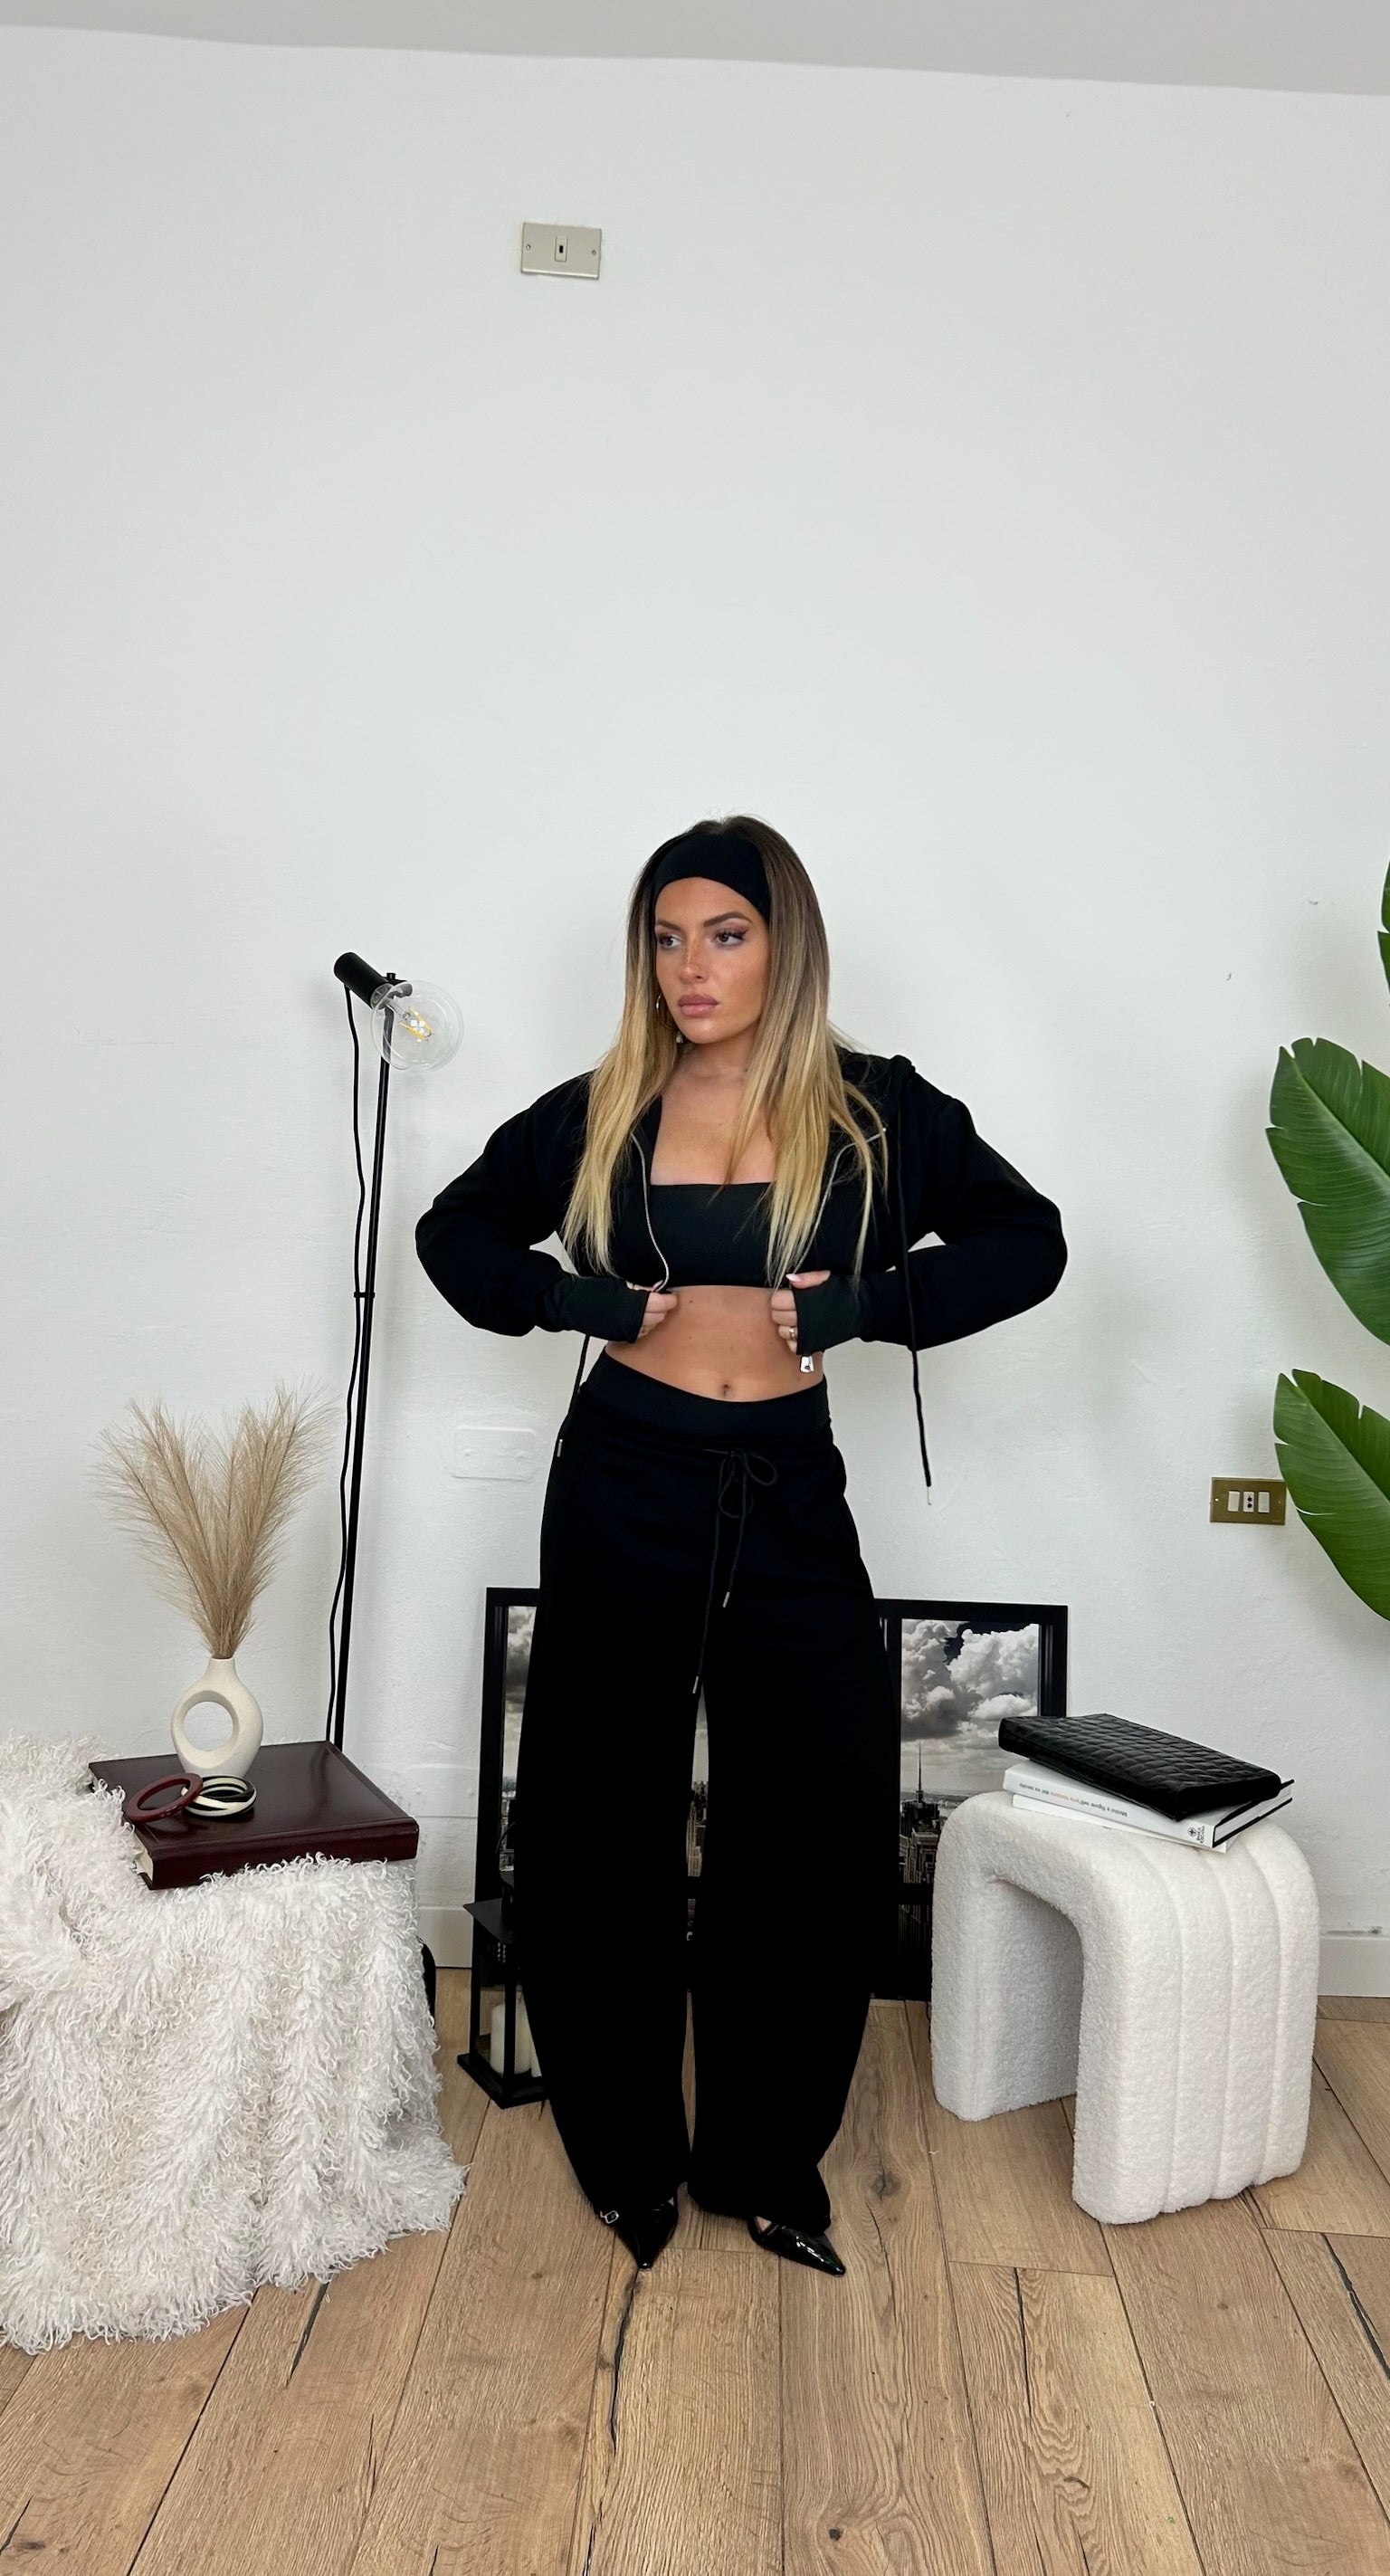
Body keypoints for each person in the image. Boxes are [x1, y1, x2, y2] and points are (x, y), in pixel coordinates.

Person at [416, 816, 1066, 2277]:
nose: (690, 967)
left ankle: (765, 2163)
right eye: (666, 937)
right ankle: (627, 2156)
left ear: (787, 946)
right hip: (622, 1480)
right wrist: (577, 1302)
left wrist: (868, 1307)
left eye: (724, 933)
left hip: (786, 1488)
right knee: (598, 1822)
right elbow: (454, 1233)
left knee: (814, 1820)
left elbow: (1029, 1240)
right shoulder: (603, 1109)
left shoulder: (877, 1114)